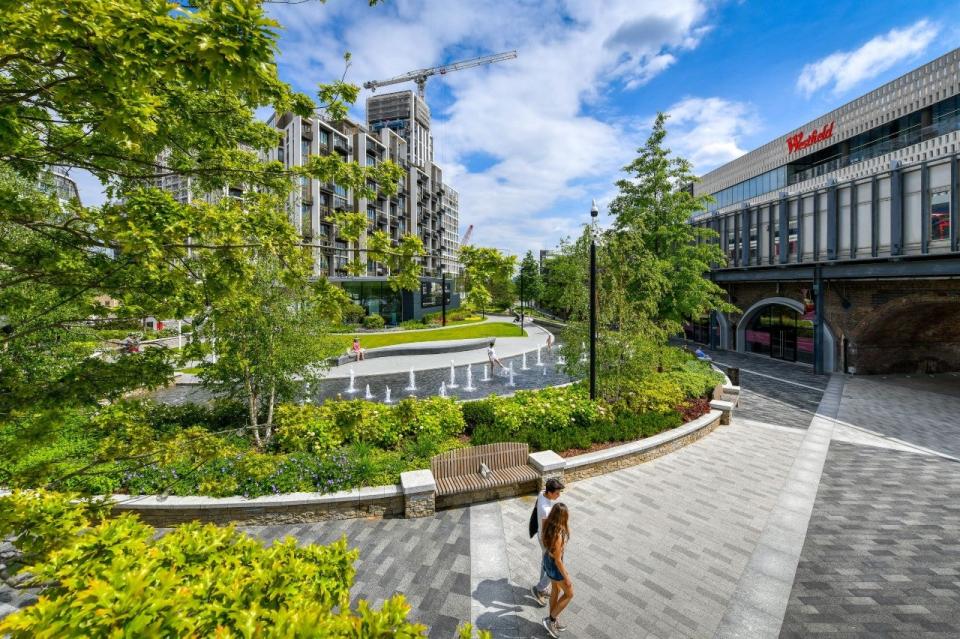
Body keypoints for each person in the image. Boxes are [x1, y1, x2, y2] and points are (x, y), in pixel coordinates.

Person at [541, 502, 573, 638]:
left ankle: (552, 618)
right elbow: (558, 560)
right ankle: (551, 620)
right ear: (563, 517)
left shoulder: (548, 526)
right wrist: (566, 577)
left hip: (547, 560)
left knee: (556, 589)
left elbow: (545, 544)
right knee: (569, 593)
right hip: (555, 566)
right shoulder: (558, 535)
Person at [531, 478, 564, 607]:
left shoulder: (541, 493)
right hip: (546, 539)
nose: (559, 495)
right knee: (553, 567)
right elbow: (546, 529)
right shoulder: (545, 510)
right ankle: (538, 588)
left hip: (541, 535)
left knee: (545, 563)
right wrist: (551, 545)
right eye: (557, 493)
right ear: (549, 492)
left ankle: (542, 589)